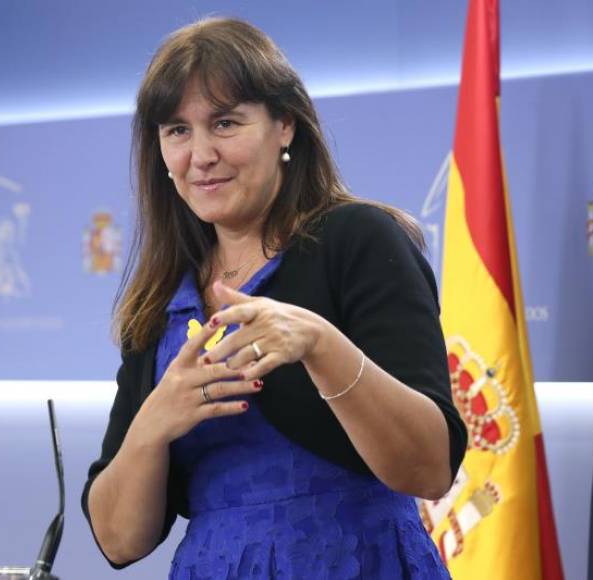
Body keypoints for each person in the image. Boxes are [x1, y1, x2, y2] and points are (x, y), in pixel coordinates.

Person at [81, 17, 468, 579]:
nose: (201, 154)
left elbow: (429, 468)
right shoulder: (161, 297)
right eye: (177, 131)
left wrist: (319, 344)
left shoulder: (358, 240)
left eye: (226, 123)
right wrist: (155, 421)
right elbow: (118, 542)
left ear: (284, 124)